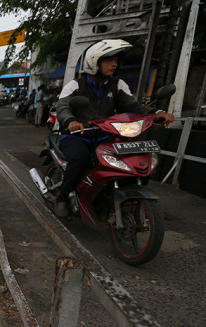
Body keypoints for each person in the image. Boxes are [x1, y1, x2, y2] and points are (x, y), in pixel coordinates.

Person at [54, 39, 175, 217]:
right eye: (108, 60)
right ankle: (63, 197)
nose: (113, 64)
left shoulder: (117, 85)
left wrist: (156, 113)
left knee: (128, 159)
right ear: (94, 61)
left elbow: (134, 107)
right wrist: (70, 121)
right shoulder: (75, 85)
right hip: (77, 136)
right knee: (80, 158)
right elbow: (62, 107)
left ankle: (120, 197)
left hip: (105, 137)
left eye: (116, 61)